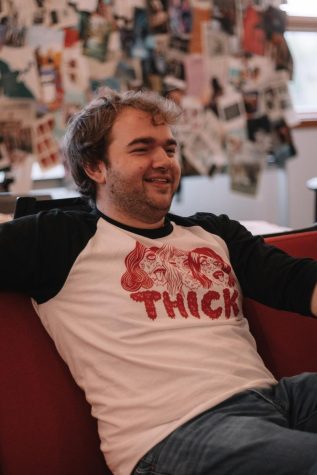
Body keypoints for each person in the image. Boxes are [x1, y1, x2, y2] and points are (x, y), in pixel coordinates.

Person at [0, 88, 317, 475]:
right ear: (95, 167)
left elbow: (297, 282)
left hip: (279, 401)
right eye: (141, 149)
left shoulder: (214, 232)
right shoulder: (59, 240)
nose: (164, 161)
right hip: (177, 435)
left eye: (169, 148)